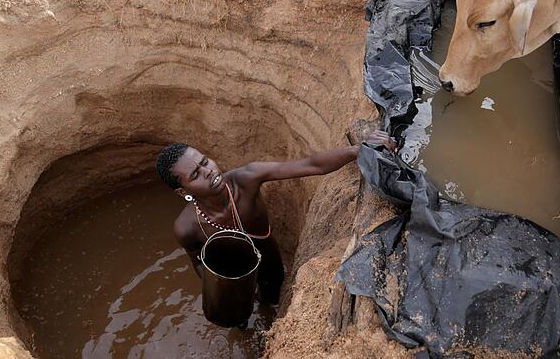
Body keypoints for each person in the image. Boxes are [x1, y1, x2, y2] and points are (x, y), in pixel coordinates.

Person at [156, 130, 394, 305]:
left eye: (205, 161)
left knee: (273, 296)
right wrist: (221, 289)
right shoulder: (186, 227)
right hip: (233, 277)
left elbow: (311, 165)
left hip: (269, 261)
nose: (209, 172)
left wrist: (356, 150)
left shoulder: (246, 179)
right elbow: (197, 262)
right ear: (183, 192)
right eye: (196, 174)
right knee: (235, 316)